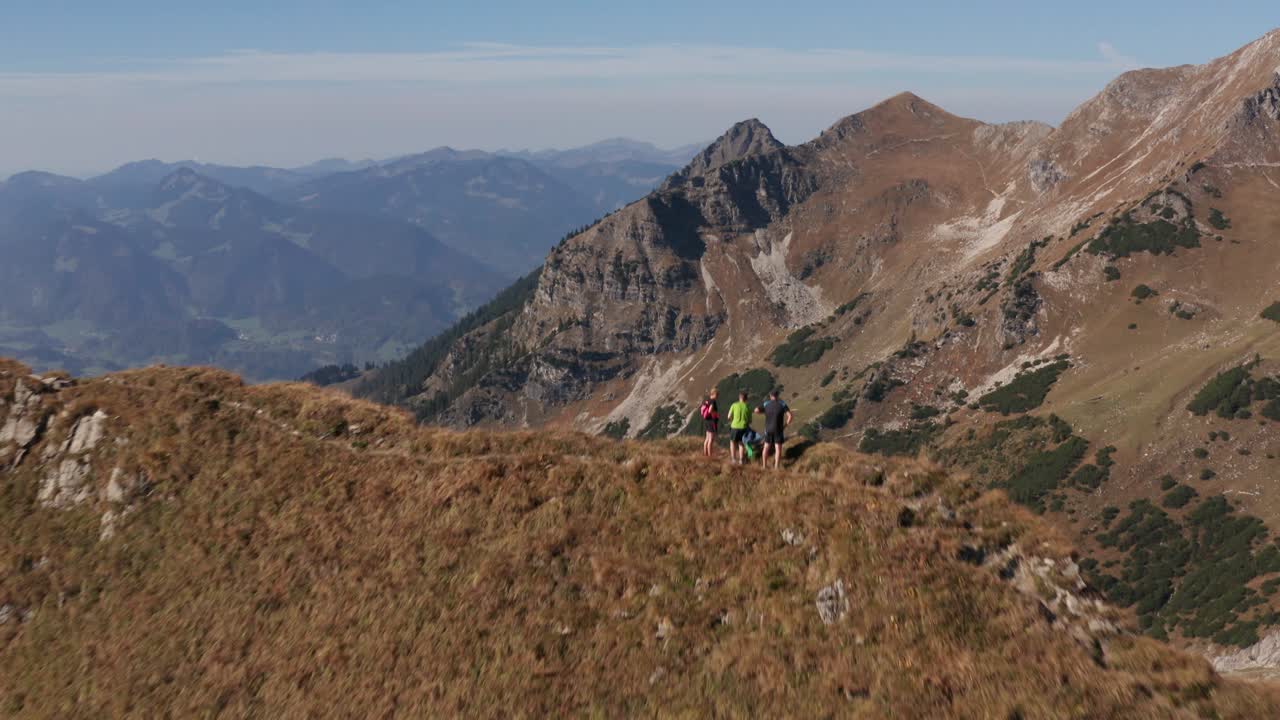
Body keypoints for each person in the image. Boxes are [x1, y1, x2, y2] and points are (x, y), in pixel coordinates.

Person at [755, 389, 793, 469]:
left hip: (768, 429)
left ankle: (764, 466)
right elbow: (790, 416)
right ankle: (776, 467)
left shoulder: (766, 404)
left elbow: (756, 410)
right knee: (778, 449)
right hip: (778, 430)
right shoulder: (782, 404)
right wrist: (785, 425)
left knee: (766, 447)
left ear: (770, 396)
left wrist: (764, 412)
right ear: (778, 395)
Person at [727, 390, 752, 465]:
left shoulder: (734, 405)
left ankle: (733, 459)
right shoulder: (747, 407)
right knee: (741, 443)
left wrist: (732, 421)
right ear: (746, 399)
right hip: (743, 427)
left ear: (739, 397)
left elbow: (728, 416)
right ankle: (741, 460)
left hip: (734, 426)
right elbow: (750, 421)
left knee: (732, 443)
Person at [699, 388, 720, 458]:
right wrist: (715, 414)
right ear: (714, 394)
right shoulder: (713, 401)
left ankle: (705, 453)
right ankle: (710, 455)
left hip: (706, 421)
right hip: (711, 421)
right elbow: (710, 410)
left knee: (707, 438)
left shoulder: (707, 400)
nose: (718, 396)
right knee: (711, 438)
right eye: (717, 395)